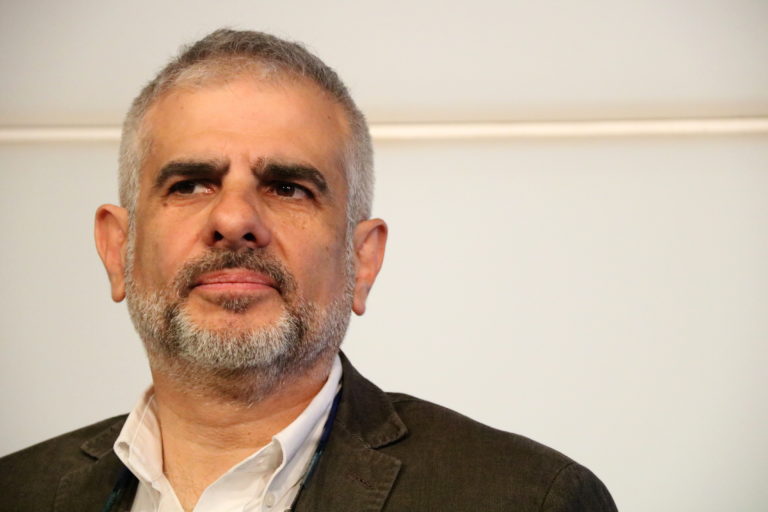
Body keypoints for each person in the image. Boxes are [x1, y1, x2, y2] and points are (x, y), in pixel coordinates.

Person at [0, 29, 617, 511]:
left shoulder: (528, 499)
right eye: (190, 184)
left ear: (362, 259)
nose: (234, 219)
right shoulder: (16, 491)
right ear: (118, 250)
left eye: (288, 188)